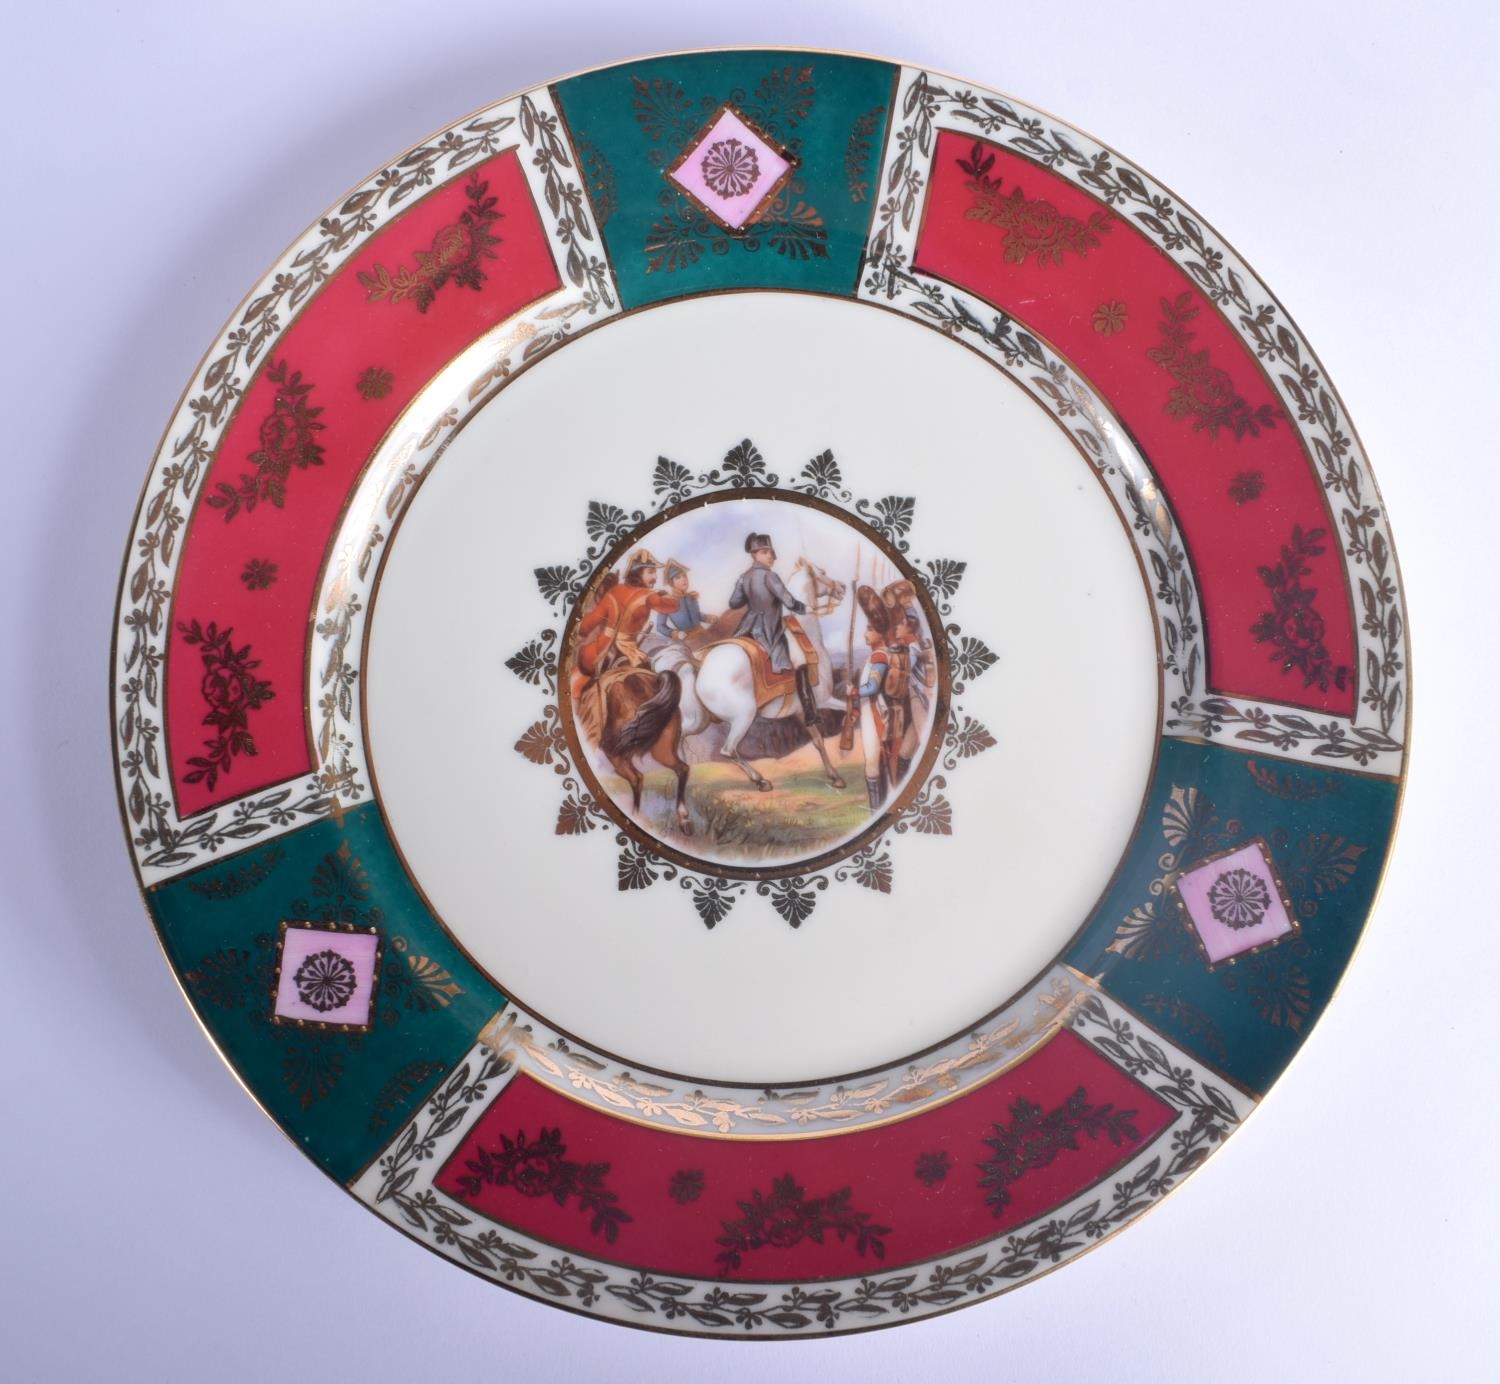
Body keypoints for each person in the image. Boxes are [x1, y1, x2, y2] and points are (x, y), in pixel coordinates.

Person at [728, 532, 819, 723]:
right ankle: (811, 713)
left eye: (770, 552)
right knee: (800, 661)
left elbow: (734, 603)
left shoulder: (743, 577)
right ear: (754, 555)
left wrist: (744, 587)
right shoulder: (771, 576)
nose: (770, 556)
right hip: (770, 630)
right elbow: (789, 601)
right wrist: (806, 608)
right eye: (764, 552)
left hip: (746, 629)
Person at [575, 548, 679, 681]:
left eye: (655, 573)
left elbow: (587, 624)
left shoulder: (614, 591)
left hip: (594, 655)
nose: (655, 577)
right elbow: (673, 606)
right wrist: (666, 595)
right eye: (650, 572)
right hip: (628, 653)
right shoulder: (648, 596)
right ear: (638, 573)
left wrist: (581, 631)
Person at [847, 585, 893, 811]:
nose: (865, 634)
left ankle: (878, 811)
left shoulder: (880, 657)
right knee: (873, 764)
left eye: (869, 629)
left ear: (880, 633)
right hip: (868, 714)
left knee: (873, 765)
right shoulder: (875, 656)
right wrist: (855, 710)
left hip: (876, 717)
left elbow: (872, 687)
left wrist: (854, 691)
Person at [655, 560, 708, 643]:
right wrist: (675, 633)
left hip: (702, 633)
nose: (683, 579)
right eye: (678, 578)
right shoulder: (667, 601)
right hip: (688, 640)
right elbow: (660, 626)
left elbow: (697, 615)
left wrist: (707, 618)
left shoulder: (692, 597)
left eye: (684, 576)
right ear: (671, 583)